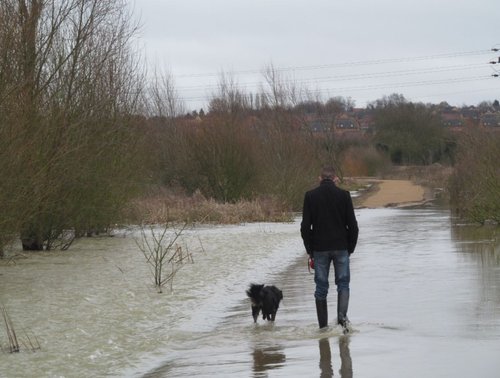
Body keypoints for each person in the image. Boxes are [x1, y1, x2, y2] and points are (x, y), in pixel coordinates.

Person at [300, 166, 359, 331]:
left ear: (320, 178)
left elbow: (305, 227)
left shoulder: (310, 196)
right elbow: (353, 226)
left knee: (321, 288)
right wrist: (350, 248)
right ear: (335, 179)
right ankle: (341, 319)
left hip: (319, 249)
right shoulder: (344, 195)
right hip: (341, 247)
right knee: (343, 284)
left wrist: (309, 249)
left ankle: (323, 328)